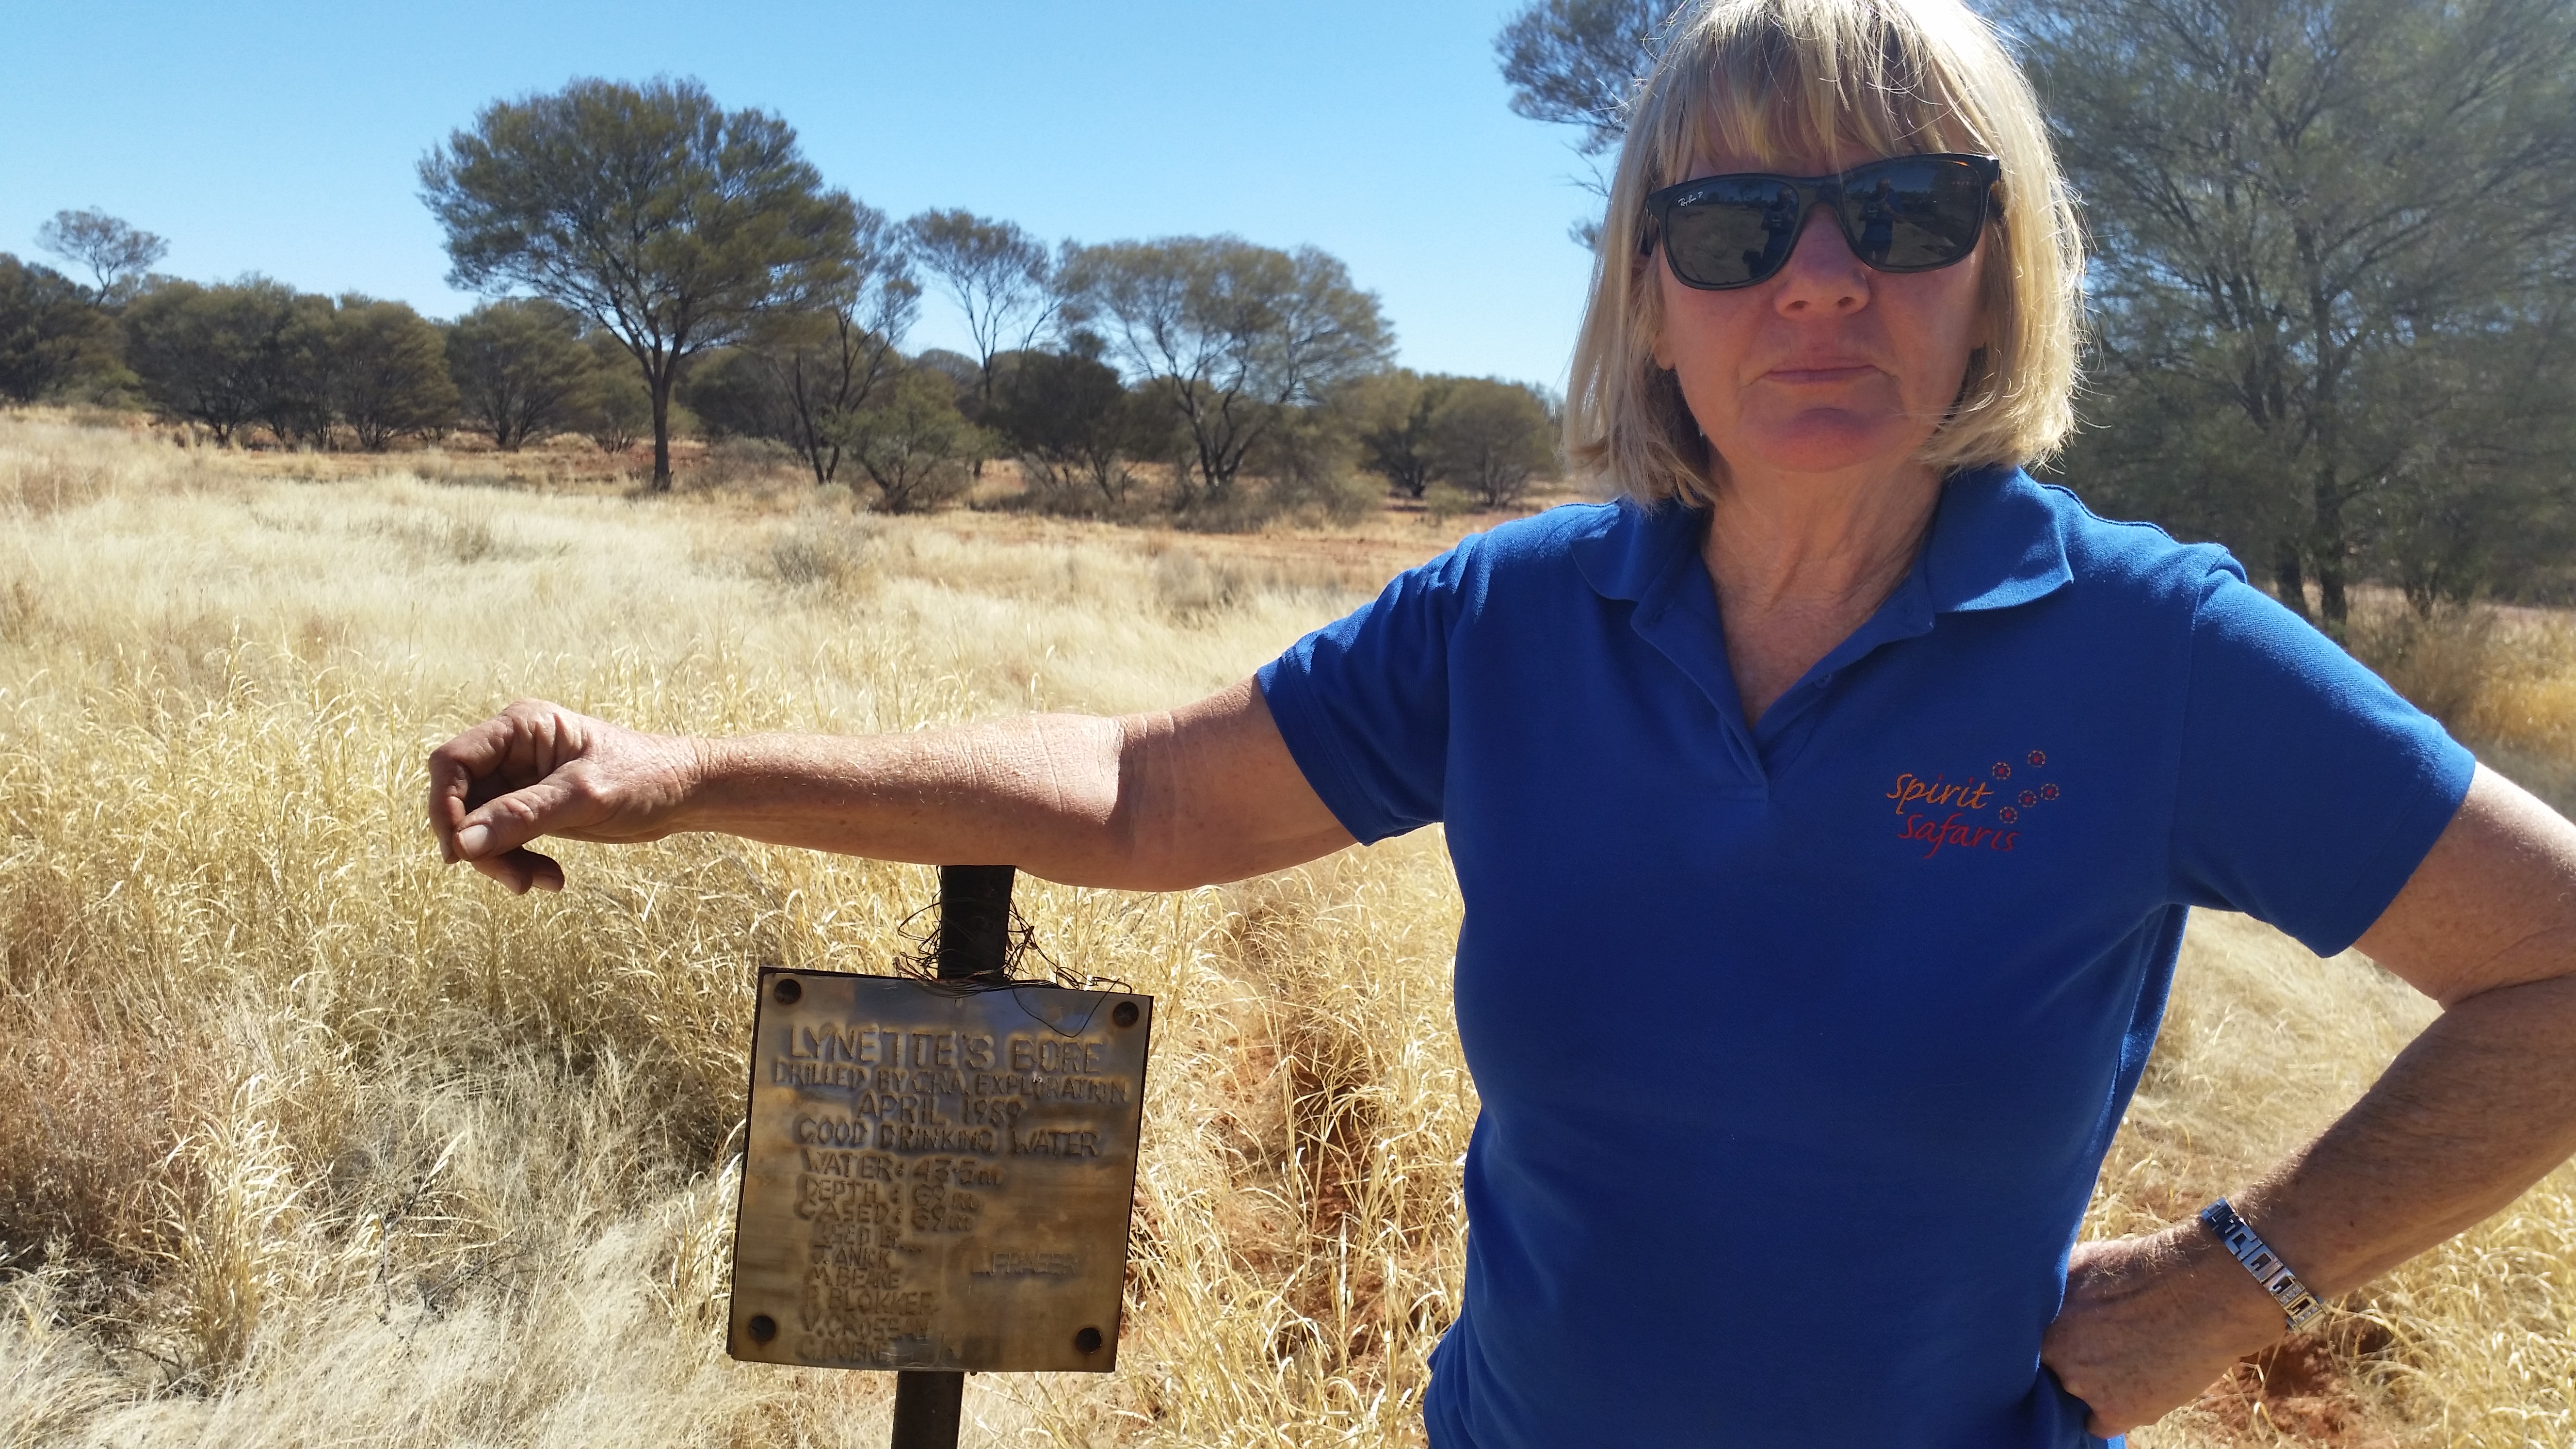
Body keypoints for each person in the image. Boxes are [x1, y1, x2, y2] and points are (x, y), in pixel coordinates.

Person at [425, 0, 2576, 1442]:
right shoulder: (1517, 618)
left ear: (1998, 277)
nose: (1817, 277)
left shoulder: (2150, 652)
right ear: (1647, 304)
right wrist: (690, 778)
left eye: (1902, 213)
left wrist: (2228, 1287)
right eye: (1731, 225)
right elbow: (1147, 789)